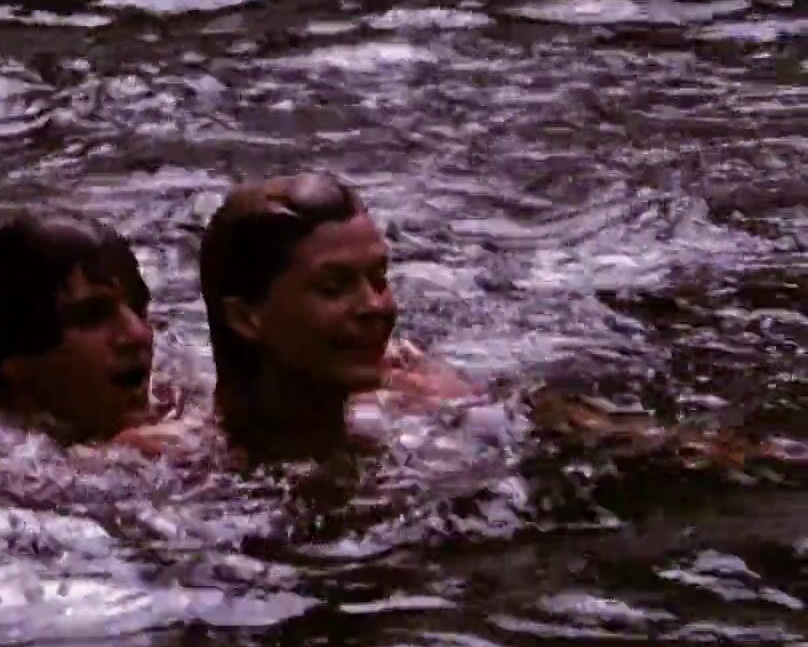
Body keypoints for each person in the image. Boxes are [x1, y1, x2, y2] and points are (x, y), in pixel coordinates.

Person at [198, 171, 795, 470]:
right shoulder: (187, 464)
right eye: (334, 287)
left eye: (379, 278)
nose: (376, 307)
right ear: (247, 317)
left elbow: (614, 435)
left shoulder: (421, 403)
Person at [0, 214, 170, 448]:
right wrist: (112, 458)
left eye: (138, 309)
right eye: (93, 315)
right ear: (18, 356)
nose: (139, 334)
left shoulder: (169, 398)